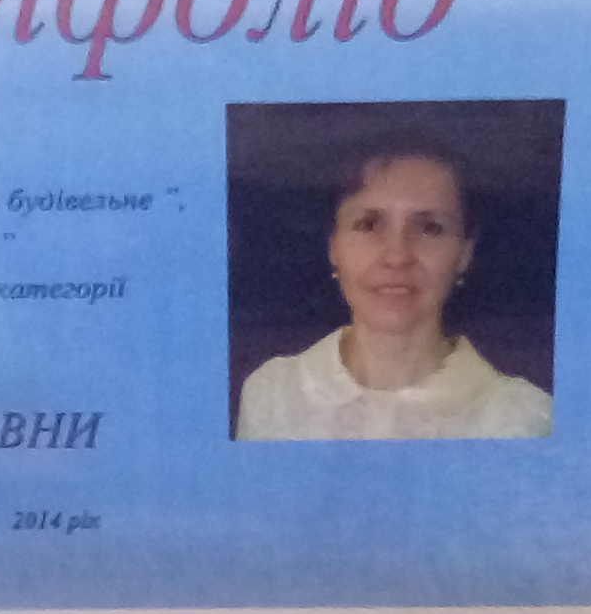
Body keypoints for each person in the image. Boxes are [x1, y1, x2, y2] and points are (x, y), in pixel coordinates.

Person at [235, 145, 552, 441]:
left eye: (429, 228)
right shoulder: (272, 396)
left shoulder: (524, 421)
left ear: (464, 253)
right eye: (369, 224)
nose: (397, 256)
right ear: (334, 246)